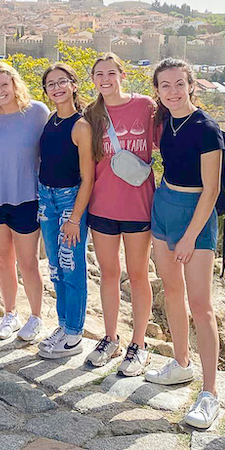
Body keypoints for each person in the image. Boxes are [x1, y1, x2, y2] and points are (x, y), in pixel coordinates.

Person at [144, 58, 224, 429]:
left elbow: (212, 190)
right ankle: (180, 363)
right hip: (163, 206)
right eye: (165, 86)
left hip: (195, 214)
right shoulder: (164, 122)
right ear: (157, 90)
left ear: (192, 85)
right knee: (171, 291)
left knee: (202, 305)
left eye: (179, 84)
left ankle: (210, 394)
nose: (173, 92)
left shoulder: (207, 129)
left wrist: (191, 235)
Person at [83, 53, 156, 376]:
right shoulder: (91, 114)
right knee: (109, 273)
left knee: (138, 274)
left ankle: (138, 344)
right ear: (93, 80)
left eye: (111, 73)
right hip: (102, 206)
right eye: (99, 74)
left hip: (139, 205)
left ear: (122, 75)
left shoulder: (145, 107)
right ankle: (110, 338)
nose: (105, 79)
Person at [0, 62, 49, 340]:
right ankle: (9, 314)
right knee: (3, 259)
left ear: (15, 84)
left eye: (3, 85)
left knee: (28, 261)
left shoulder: (37, 113)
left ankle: (36, 317)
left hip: (27, 198)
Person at [36, 63, 95, 359]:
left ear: (73, 85)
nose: (57, 87)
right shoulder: (50, 119)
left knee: (72, 267)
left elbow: (88, 177)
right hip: (45, 197)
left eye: (62, 82)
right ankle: (63, 324)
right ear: (45, 91)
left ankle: (74, 333)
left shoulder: (81, 126)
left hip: (70, 200)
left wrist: (74, 219)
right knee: (56, 268)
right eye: (50, 84)